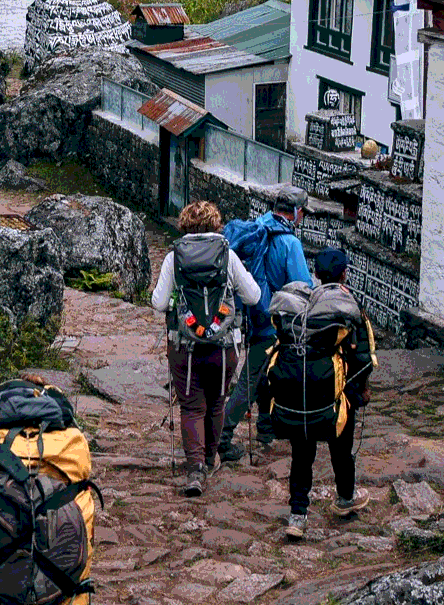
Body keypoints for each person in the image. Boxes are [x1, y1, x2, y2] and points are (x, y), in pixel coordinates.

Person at [151, 200, 261, 496]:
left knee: (191, 406)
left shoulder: (174, 257)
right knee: (216, 403)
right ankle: (209, 461)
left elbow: (159, 303)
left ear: (185, 225)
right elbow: (253, 296)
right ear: (216, 225)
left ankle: (195, 470)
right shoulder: (229, 256)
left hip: (185, 348)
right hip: (224, 347)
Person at [275, 246, 372, 539]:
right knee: (341, 451)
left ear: (315, 274)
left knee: (301, 455)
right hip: (335, 393)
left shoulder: (298, 309)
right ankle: (345, 499)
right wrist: (359, 392)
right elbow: (362, 358)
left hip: (299, 391)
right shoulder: (347, 309)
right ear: (344, 274)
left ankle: (297, 515)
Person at [217, 185, 315, 465]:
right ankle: (222, 437)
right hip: (276, 321)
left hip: (252, 314)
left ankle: (266, 426)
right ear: (295, 212)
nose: (302, 218)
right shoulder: (289, 243)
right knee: (251, 378)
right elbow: (301, 285)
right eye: (302, 214)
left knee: (264, 372)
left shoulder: (257, 227)